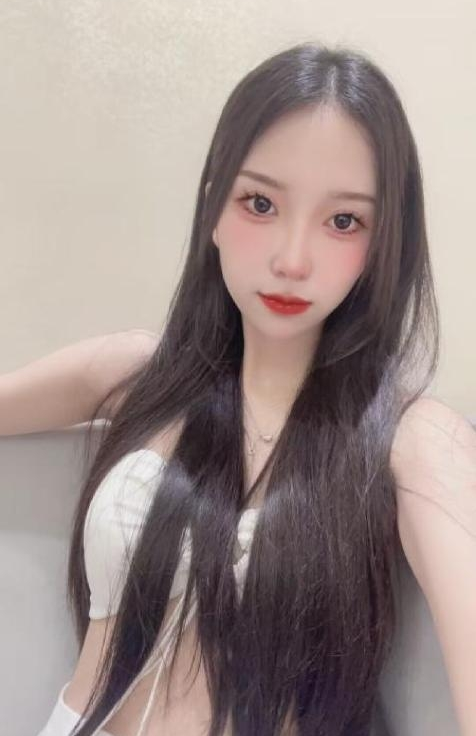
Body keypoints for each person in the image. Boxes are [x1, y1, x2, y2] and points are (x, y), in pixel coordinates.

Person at [2, 41, 475, 736]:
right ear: (213, 214)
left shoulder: (414, 438)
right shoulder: (142, 374)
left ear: (382, 246)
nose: (292, 259)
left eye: (343, 221)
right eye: (260, 203)